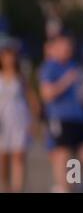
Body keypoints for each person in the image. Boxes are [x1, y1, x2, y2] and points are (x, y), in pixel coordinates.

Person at [39, 34, 83, 192]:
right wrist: (66, 81)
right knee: (62, 154)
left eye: (70, 46)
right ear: (55, 48)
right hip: (61, 117)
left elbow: (80, 95)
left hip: (79, 117)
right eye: (65, 46)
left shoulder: (73, 65)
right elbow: (47, 94)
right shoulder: (50, 67)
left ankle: (70, 185)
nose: (68, 49)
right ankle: (64, 188)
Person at [0, 37, 40, 192]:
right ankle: (5, 186)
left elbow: (32, 98)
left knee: (19, 156)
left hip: (19, 118)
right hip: (2, 121)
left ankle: (18, 189)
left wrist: (34, 121)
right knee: (3, 158)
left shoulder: (20, 77)